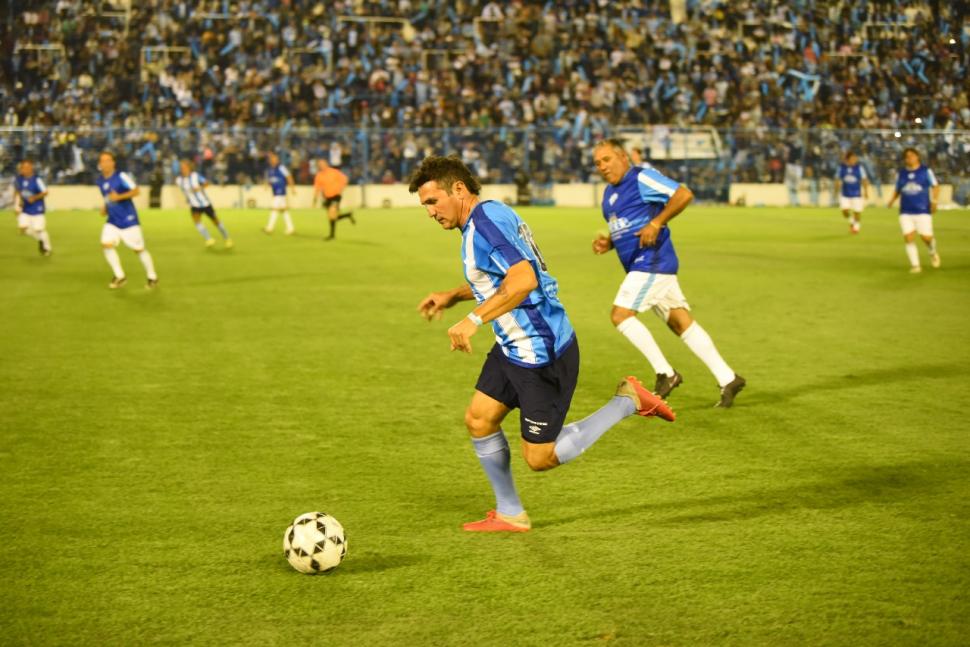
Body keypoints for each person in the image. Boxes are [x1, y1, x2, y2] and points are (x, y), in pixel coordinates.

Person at [410, 155, 674, 533]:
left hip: (540, 351)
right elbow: (502, 277)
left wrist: (472, 320)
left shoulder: (482, 226)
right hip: (514, 343)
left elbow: (523, 280)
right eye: (424, 206)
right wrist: (454, 294)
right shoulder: (491, 213)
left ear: (458, 189)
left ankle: (626, 401)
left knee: (540, 457)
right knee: (479, 419)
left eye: (432, 201)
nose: (430, 212)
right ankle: (510, 514)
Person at [591, 138, 745, 406]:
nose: (602, 166)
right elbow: (628, 227)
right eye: (597, 163)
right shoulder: (608, 195)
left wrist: (657, 221)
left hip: (653, 261)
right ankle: (728, 378)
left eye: (606, 159)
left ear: (623, 157)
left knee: (620, 315)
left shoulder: (641, 177)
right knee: (680, 322)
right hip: (643, 265)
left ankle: (666, 373)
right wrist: (610, 243)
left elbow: (683, 194)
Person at [95, 152, 159, 289]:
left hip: (128, 220)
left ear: (113, 162)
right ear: (100, 165)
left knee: (139, 250)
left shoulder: (121, 176)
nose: (105, 163)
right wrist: (105, 207)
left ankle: (152, 277)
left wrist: (119, 197)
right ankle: (120, 276)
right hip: (112, 220)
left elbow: (136, 191)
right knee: (106, 244)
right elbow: (108, 197)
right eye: (103, 161)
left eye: (108, 160)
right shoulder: (100, 180)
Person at [887, 148, 941, 273]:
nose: (909, 158)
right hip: (905, 211)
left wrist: (934, 201)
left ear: (917, 157)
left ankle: (932, 252)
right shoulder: (902, 173)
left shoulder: (925, 171)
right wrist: (892, 200)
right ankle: (915, 265)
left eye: (911, 155)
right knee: (908, 237)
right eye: (906, 156)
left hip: (923, 210)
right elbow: (898, 189)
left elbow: (935, 186)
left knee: (926, 238)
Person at [176, 159, 233, 248]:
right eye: (181, 167)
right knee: (197, 222)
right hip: (194, 205)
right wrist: (188, 198)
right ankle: (209, 239)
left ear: (189, 167)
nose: (182, 169)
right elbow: (183, 191)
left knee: (216, 221)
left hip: (205, 203)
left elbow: (206, 183)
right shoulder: (179, 180)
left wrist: (199, 188)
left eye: (184, 167)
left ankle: (227, 238)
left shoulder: (195, 176)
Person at [13, 159, 52, 256]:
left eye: (27, 167)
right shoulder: (19, 179)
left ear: (31, 168)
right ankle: (41, 240)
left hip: (37, 209)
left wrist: (34, 197)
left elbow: (45, 192)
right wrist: (17, 205)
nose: (24, 169)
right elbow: (17, 192)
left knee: (38, 229)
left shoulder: (37, 179)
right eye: (23, 167)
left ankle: (46, 247)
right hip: (25, 209)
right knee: (23, 229)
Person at [312, 158, 354, 240]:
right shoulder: (319, 176)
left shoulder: (334, 172)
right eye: (320, 165)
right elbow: (317, 188)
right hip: (327, 197)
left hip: (336, 196)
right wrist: (315, 200)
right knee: (333, 217)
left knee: (332, 212)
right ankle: (348, 215)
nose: (321, 166)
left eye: (323, 164)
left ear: (326, 164)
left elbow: (345, 179)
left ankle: (331, 236)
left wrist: (341, 188)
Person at [835, 151, 870, 234]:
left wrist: (866, 191)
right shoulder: (842, 168)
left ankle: (856, 227)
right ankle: (851, 221)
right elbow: (837, 179)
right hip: (845, 194)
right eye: (852, 158)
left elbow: (864, 180)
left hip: (856, 194)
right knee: (845, 211)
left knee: (857, 212)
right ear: (847, 159)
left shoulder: (859, 168)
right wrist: (836, 190)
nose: (854, 160)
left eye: (855, 158)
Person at [263, 152, 294, 235]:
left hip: (280, 191)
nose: (273, 160)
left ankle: (269, 228)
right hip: (275, 192)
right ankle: (290, 228)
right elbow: (271, 180)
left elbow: (288, 176)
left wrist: (292, 188)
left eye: (275, 159)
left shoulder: (281, 167)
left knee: (274, 208)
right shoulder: (270, 169)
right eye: (272, 159)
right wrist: (267, 185)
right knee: (284, 210)